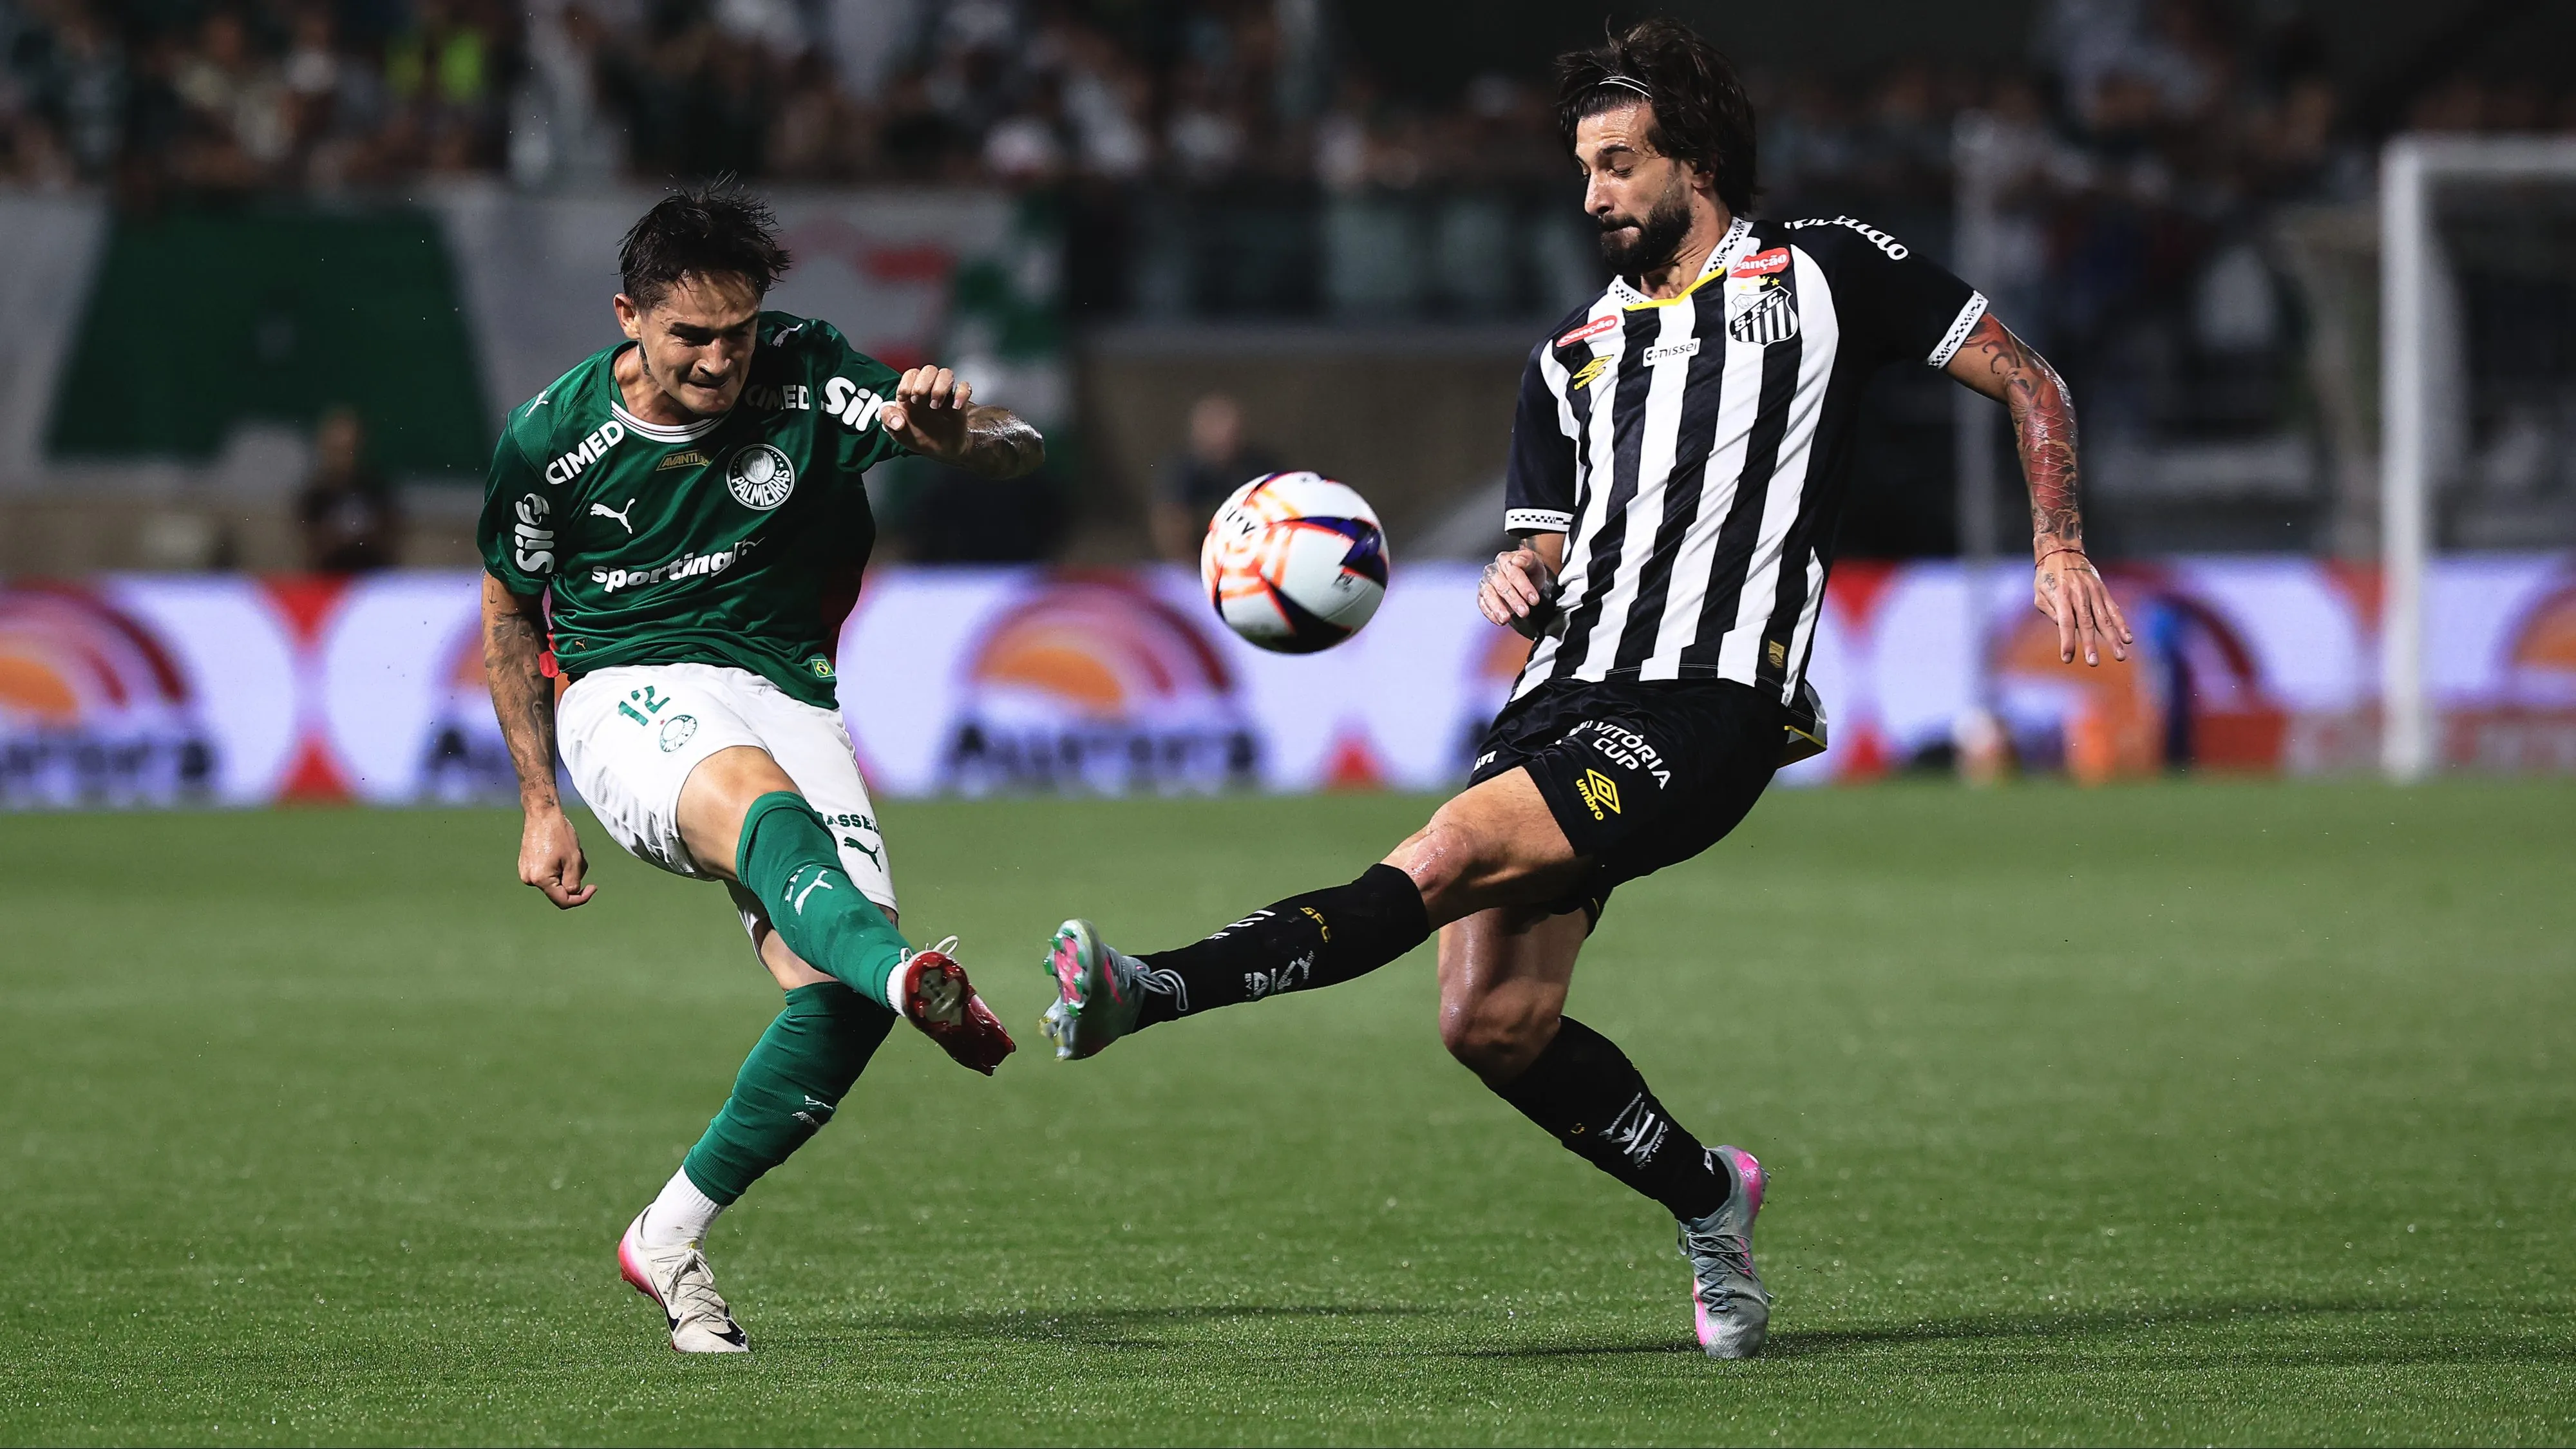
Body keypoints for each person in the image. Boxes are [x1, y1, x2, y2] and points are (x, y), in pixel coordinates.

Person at [1038, 18, 2129, 1360]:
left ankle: (1149, 989)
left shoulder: (1828, 270)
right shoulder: (1567, 359)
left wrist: (2057, 540)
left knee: (1436, 855)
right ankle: (1708, 1198)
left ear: (1695, 162)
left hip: (1704, 702)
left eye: (1617, 165)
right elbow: (1542, 545)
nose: (1593, 197)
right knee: (1489, 1021)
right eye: (1583, 171)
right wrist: (1515, 574)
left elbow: (2024, 377)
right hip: (1559, 697)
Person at [475, 188, 1039, 1354]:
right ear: (629, 317)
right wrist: (538, 801)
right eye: (691, 336)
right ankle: (907, 975)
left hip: (784, 684)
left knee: (834, 1005)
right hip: (626, 689)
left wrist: (946, 431)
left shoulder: (806, 369)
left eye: (737, 331)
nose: (721, 359)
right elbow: (505, 611)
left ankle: (668, 1239)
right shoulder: (548, 443)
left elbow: (1016, 450)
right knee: (765, 813)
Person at [1150, 392, 1278, 563]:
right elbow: (1170, 522)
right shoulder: (1182, 472)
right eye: (1215, 426)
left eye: (1230, 427)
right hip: (1196, 564)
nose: (1224, 434)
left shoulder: (1261, 467)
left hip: (1256, 559)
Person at [297, 406, 403, 573]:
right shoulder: (315, 494)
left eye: (349, 450)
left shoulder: (376, 489)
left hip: (372, 580)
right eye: (337, 450)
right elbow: (311, 546)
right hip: (330, 583)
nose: (343, 458)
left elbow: (390, 537)